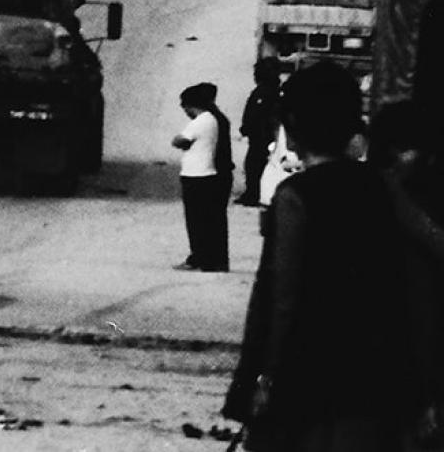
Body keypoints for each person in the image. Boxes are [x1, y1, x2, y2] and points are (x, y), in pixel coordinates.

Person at [224, 63, 420, 446]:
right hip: (375, 379)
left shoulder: (295, 197)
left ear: (293, 124)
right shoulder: (385, 187)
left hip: (309, 380)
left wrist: (265, 380)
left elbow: (282, 300)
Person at [171, 82, 233, 272]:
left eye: (185, 107)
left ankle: (201, 257)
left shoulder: (202, 120)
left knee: (198, 220)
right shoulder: (217, 118)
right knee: (213, 220)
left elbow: (179, 140)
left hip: (199, 175)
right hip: (215, 174)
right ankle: (214, 259)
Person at [238, 59, 282, 207]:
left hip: (261, 136)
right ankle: (252, 192)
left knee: (254, 165)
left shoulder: (266, 92)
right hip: (259, 135)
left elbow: (260, 115)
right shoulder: (268, 90)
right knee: (253, 164)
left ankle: (253, 194)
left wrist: (249, 128)